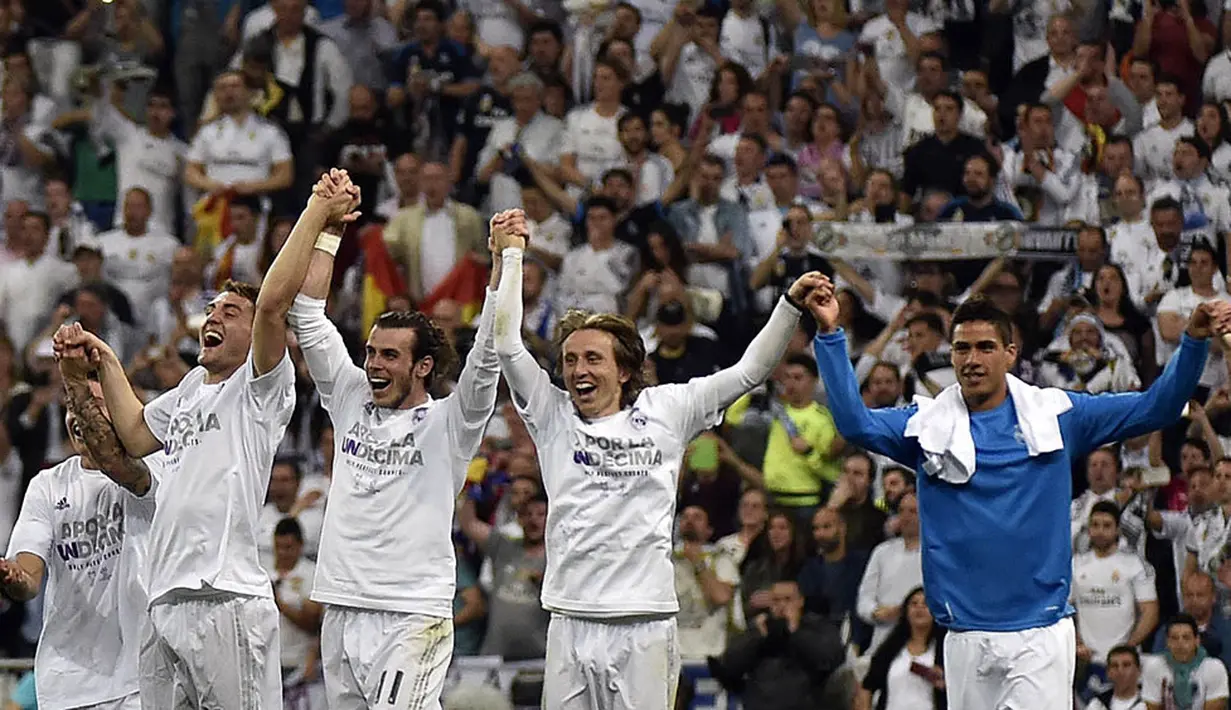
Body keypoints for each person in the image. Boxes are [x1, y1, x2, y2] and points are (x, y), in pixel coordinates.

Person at [805, 273, 1229, 710]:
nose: (972, 359)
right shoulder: (924, 426)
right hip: (964, 636)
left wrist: (1194, 340)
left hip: (1039, 635)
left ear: (1010, 353)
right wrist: (830, 332)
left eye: (985, 347)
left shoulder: (1059, 415)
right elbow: (854, 423)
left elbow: (1154, 407)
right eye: (962, 348)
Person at [490, 207, 822, 709]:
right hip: (570, 620)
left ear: (625, 369)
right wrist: (511, 257)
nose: (578, 368)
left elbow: (751, 370)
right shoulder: (551, 413)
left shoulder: (668, 408)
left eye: (593, 358)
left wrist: (789, 307)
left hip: (643, 625)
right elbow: (507, 345)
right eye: (571, 359)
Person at [53, 197, 305, 706]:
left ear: (255, 333)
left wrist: (317, 209)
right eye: (211, 309)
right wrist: (103, 359)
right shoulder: (192, 387)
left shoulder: (261, 388)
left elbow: (276, 302)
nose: (212, 317)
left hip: (226, 599)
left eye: (230, 312)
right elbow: (136, 432)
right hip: (165, 599)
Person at [276, 169, 502, 708]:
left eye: (389, 356)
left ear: (422, 366)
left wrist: (504, 264)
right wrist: (330, 230)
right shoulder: (352, 396)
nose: (373, 363)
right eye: (371, 352)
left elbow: (489, 352)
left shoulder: (452, 422)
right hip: (340, 607)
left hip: (411, 614)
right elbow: (307, 314)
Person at [0, 374, 155, 710]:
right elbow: (28, 574)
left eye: (92, 406)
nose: (77, 417)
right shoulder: (47, 485)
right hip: (66, 681)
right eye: (71, 407)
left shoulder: (149, 470)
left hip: (136, 679)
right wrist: (15, 578)